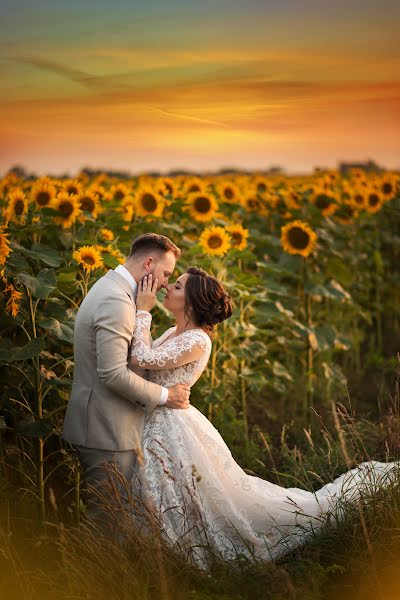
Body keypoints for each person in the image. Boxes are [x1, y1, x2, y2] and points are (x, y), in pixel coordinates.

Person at [128, 266, 399, 569]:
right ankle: (155, 550)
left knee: (195, 494)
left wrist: (142, 310)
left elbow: (142, 358)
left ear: (190, 302)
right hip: (160, 418)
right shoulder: (172, 333)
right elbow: (141, 363)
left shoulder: (198, 340)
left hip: (172, 424)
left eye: (177, 286)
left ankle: (180, 555)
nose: (168, 288)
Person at [62, 233, 192, 530]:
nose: (164, 284)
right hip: (106, 430)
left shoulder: (115, 290)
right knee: (105, 527)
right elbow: (112, 373)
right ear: (149, 263)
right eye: (165, 274)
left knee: (111, 522)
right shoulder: (116, 300)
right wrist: (165, 395)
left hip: (106, 426)